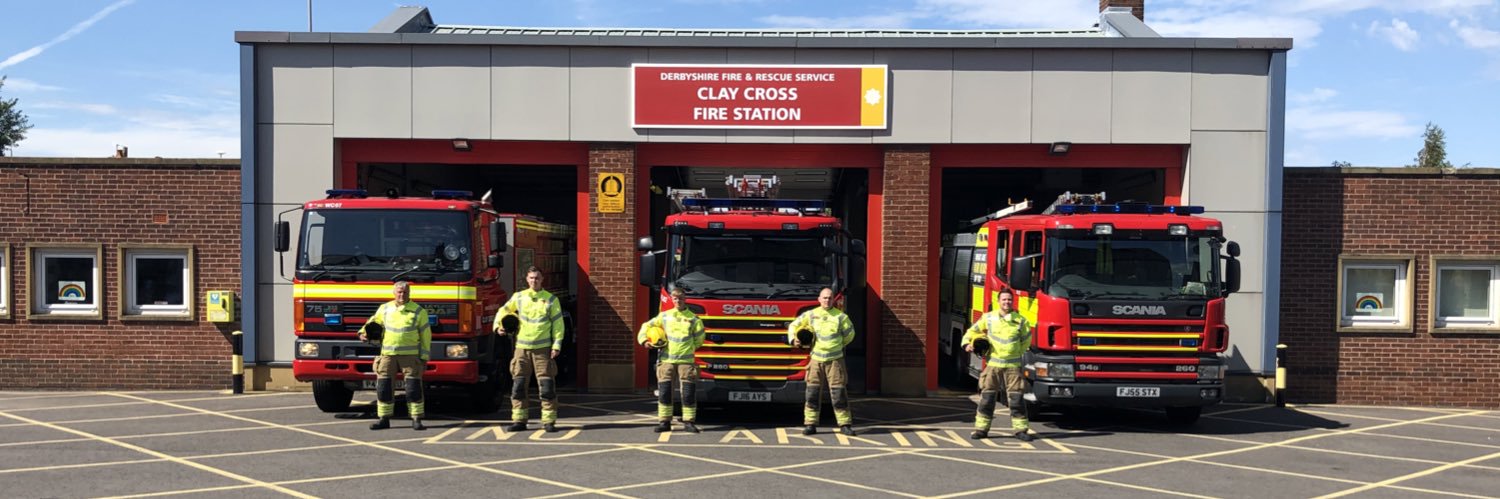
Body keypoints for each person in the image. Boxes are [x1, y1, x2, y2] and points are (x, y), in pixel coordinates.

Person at [494, 266, 565, 433]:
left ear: (542, 279)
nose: (534, 280)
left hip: (543, 349)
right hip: (522, 348)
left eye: (537, 278)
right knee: (518, 386)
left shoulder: (551, 299)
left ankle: (549, 421)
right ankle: (519, 420)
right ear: (527, 279)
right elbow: (502, 311)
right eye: (531, 278)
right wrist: (498, 326)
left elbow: (558, 324)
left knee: (547, 387)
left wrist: (557, 345)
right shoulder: (519, 297)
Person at [961, 289, 1034, 442]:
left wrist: (1016, 352)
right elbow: (972, 331)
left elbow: (1026, 340)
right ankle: (981, 429)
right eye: (1004, 299)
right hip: (993, 364)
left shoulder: (1021, 320)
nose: (1007, 302)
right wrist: (966, 344)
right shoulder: (988, 318)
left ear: (1013, 301)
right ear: (998, 301)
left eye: (1009, 299)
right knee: (987, 397)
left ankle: (1020, 430)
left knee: (1016, 399)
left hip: (1013, 365)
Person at [359, 281, 431, 431]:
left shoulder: (419, 311)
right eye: (399, 292)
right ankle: (383, 419)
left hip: (410, 357)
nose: (401, 295)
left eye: (404, 292)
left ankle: (416, 419)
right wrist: (363, 333)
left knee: (413, 389)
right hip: (388, 355)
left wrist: (424, 357)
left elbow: (426, 335)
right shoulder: (384, 309)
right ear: (394, 293)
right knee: (384, 388)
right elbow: (373, 323)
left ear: (409, 293)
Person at [788, 287, 857, 436]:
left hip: (835, 360)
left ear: (833, 300)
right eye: (824, 298)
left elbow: (850, 335)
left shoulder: (841, 317)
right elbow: (793, 325)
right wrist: (793, 339)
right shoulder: (811, 315)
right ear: (819, 299)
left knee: (839, 393)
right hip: (816, 360)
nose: (827, 300)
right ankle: (810, 424)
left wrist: (837, 346)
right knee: (812, 393)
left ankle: (845, 424)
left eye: (830, 298)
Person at [637, 286, 706, 433]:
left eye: (680, 298)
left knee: (688, 393)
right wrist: (644, 341)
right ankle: (664, 422)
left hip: (686, 362)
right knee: (664, 392)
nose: (678, 301)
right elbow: (646, 326)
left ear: (685, 299)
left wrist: (689, 349)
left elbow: (700, 339)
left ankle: (688, 422)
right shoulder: (664, 316)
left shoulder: (694, 319)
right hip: (666, 360)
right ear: (672, 300)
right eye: (675, 298)